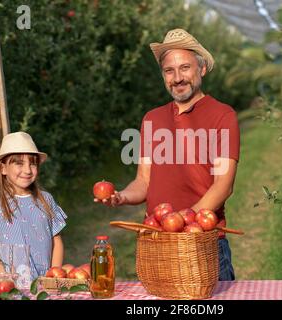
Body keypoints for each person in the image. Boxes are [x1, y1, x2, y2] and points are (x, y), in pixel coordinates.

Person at [97, 28, 240, 280]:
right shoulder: (152, 118)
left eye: (185, 68)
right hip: (157, 242)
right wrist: (121, 197)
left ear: (202, 69)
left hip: (203, 241)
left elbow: (223, 185)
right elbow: (143, 182)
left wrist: (185, 222)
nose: (177, 78)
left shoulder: (222, 115)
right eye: (169, 71)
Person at [0, 131, 67, 284]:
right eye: (19, 163)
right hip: (10, 286)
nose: (28, 170)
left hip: (44, 285)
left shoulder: (46, 200)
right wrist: (3, 275)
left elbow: (57, 243)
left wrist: (54, 276)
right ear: (3, 168)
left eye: (32, 163)